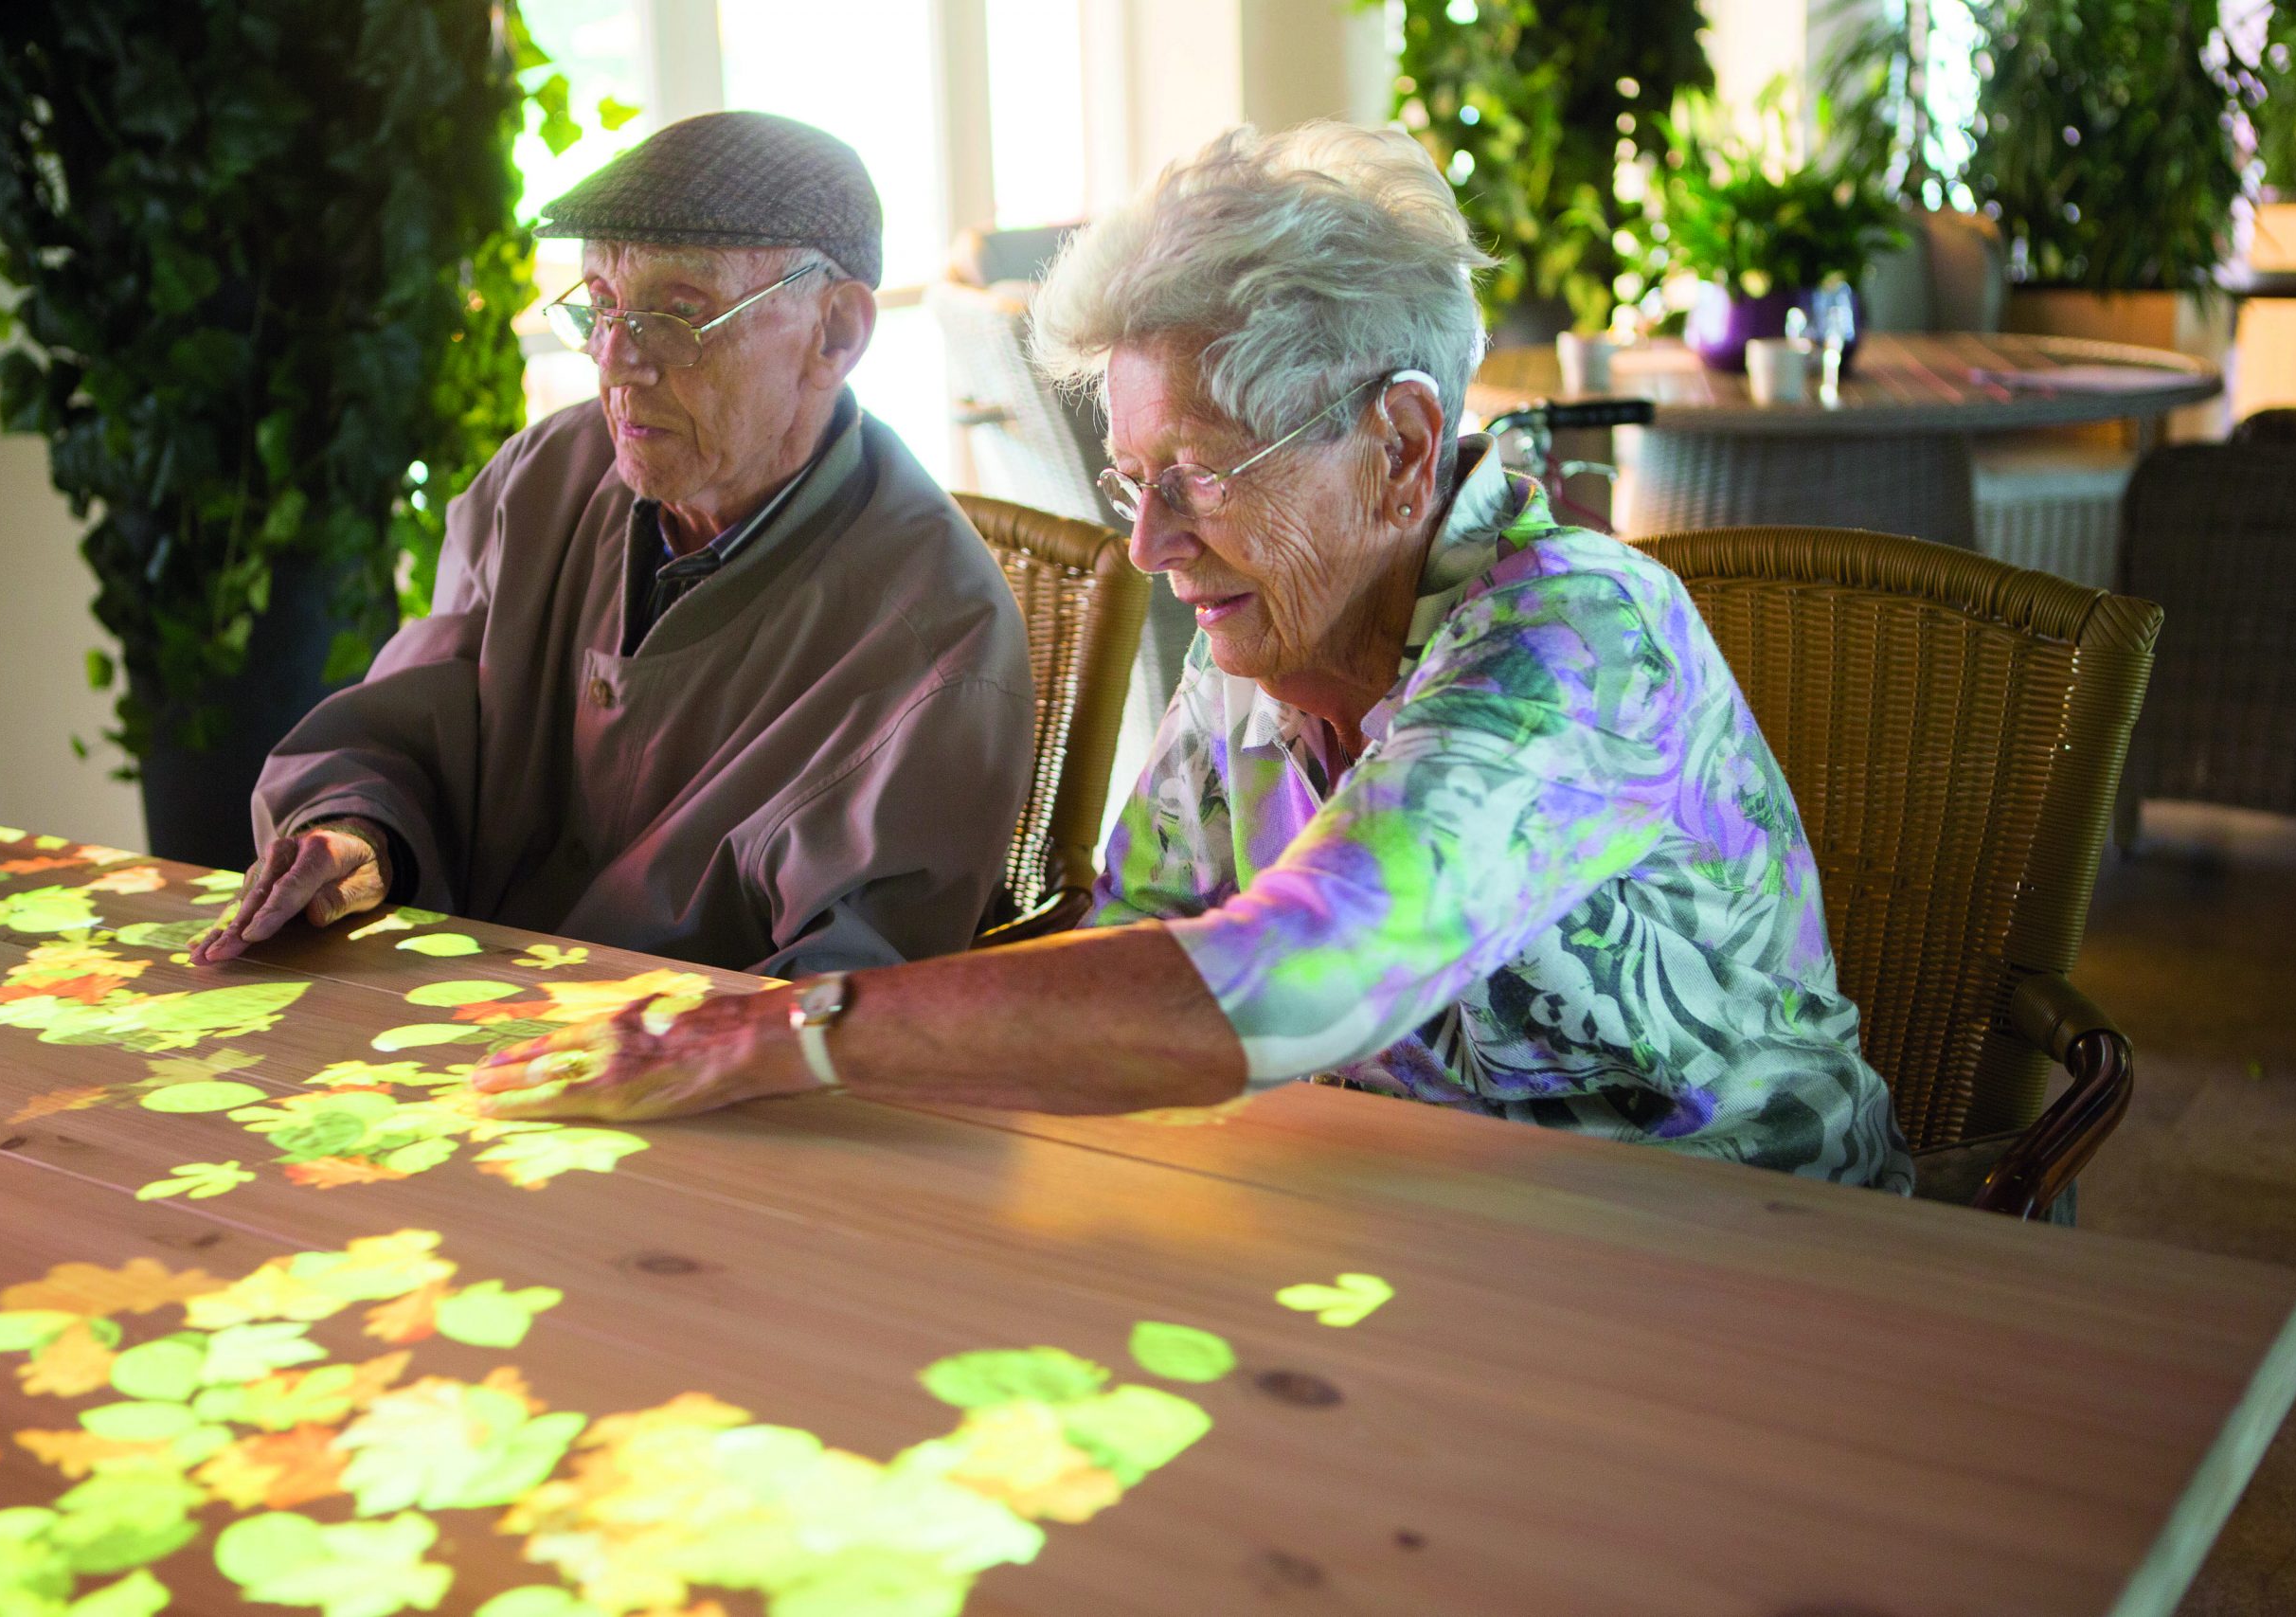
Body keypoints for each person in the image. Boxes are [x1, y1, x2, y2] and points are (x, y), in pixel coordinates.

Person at [469, 122, 1913, 1192]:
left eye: (1205, 474)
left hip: (1749, 1267)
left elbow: (1291, 974)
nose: (1151, 546)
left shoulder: (1580, 637)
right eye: (1130, 479)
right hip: (1413, 1226)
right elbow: (1138, 942)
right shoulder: (1262, 654)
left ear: (1402, 447)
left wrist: (788, 1027)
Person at [193, 113, 1033, 977]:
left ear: (836, 334)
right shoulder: (541, 479)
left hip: (686, 1086)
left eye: (679, 311)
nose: (617, 359)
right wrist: (354, 836)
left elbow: (844, 999)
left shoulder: (940, 636)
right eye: (599, 306)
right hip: (450, 1023)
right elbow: (414, 724)